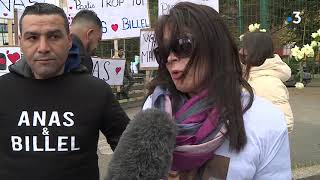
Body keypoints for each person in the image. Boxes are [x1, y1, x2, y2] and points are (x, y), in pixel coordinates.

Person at [143, 2, 291, 179]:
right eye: (163, 51)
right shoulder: (154, 105)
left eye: (182, 45)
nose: (170, 57)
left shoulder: (265, 120)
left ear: (215, 47)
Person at [0, 3, 129, 180]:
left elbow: (134, 152)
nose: (43, 47)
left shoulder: (96, 91)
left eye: (54, 36)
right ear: (21, 42)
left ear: (69, 41)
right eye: (32, 37)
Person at [239, 32, 294, 133]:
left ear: (256, 52)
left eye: (245, 48)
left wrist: (255, 137)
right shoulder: (248, 76)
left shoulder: (270, 84)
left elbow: (286, 122)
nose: (241, 51)